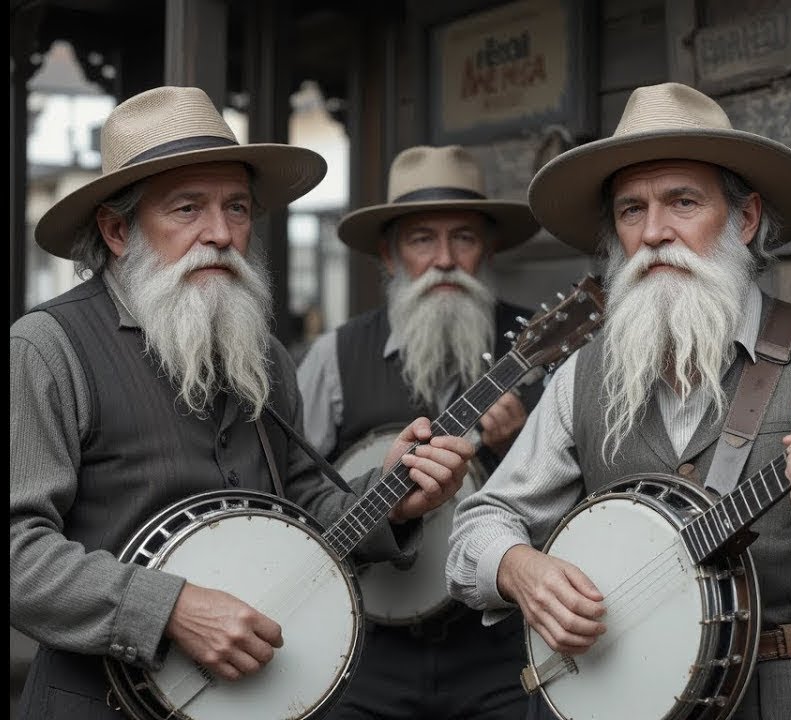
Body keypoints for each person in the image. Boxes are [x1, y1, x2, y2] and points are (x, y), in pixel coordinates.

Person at [446, 82, 791, 719]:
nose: (655, 232)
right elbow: (476, 524)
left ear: (743, 221)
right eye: (632, 211)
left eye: (682, 202)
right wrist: (519, 568)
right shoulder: (583, 374)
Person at [9, 86, 475, 720]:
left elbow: (304, 505)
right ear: (118, 231)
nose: (223, 234)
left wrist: (393, 499)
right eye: (187, 209)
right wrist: (169, 607)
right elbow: (18, 553)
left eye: (237, 207)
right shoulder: (46, 349)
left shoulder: (261, 352)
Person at [297, 145, 543, 719]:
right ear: (388, 254)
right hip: (366, 649)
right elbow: (295, 495)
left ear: (489, 248)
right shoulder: (335, 356)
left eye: (464, 237)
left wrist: (517, 446)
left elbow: (581, 502)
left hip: (500, 646)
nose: (444, 259)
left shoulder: (541, 344)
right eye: (421, 239)